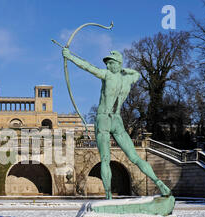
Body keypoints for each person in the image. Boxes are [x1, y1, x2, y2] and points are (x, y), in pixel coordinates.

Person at [62, 48, 171, 199]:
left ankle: (108, 197)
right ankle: (159, 184)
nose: (107, 66)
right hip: (117, 119)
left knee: (107, 159)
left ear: (118, 64)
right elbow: (137, 74)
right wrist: (123, 69)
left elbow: (87, 66)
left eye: (111, 63)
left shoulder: (107, 75)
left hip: (105, 118)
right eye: (107, 63)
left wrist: (70, 57)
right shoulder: (127, 79)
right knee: (134, 157)